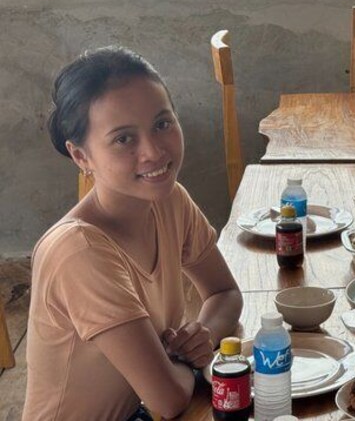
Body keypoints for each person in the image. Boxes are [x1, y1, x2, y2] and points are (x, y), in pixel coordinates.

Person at [24, 47, 243, 420]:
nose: (153, 151)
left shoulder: (170, 200)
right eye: (124, 139)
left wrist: (201, 337)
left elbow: (225, 294)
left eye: (162, 123)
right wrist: (186, 362)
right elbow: (167, 399)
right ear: (81, 157)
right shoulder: (79, 250)